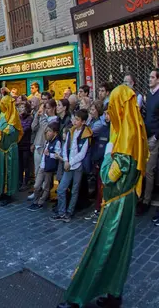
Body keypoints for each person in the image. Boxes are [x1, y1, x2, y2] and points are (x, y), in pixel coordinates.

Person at [57, 85, 148, 308]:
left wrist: (108, 153)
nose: (108, 112)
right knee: (119, 249)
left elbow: (108, 176)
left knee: (102, 248)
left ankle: (78, 297)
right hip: (125, 202)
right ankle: (113, 292)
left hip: (116, 204)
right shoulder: (134, 130)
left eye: (112, 107)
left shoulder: (124, 140)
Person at [51, 109, 91, 223]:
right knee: (61, 189)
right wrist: (66, 161)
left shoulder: (86, 134)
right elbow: (65, 148)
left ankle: (69, 211)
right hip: (68, 164)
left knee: (75, 190)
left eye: (77, 120)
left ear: (83, 122)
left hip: (77, 166)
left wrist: (71, 162)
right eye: (74, 119)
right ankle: (62, 211)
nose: (74, 121)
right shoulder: (71, 131)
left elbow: (82, 154)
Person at [0, 95, 23, 206]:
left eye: (4, 104)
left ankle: (9, 194)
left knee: (10, 171)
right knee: (1, 170)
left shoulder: (14, 116)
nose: (1, 106)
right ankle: (2, 192)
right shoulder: (2, 114)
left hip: (10, 149)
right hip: (1, 148)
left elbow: (10, 130)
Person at [28, 123, 62, 211]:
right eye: (47, 131)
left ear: (55, 133)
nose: (47, 132)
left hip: (48, 167)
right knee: (36, 185)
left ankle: (40, 202)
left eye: (50, 131)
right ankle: (35, 201)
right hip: (42, 166)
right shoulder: (48, 140)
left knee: (46, 186)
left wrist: (49, 154)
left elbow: (58, 155)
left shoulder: (57, 142)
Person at [144, 68, 158, 221]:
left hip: (155, 138)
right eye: (149, 77)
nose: (150, 79)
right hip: (147, 137)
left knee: (149, 169)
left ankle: (147, 200)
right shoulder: (149, 95)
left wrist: (156, 136)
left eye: (153, 77)